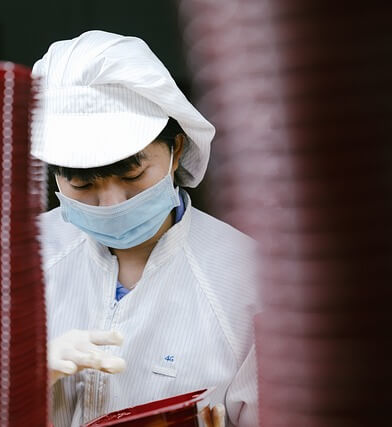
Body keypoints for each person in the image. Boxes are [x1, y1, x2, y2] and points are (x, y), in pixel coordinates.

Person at [32, 30, 259, 427]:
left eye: (132, 174)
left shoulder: (248, 278)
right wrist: (25, 380)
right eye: (82, 183)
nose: (111, 204)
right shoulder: (15, 259)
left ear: (176, 149)